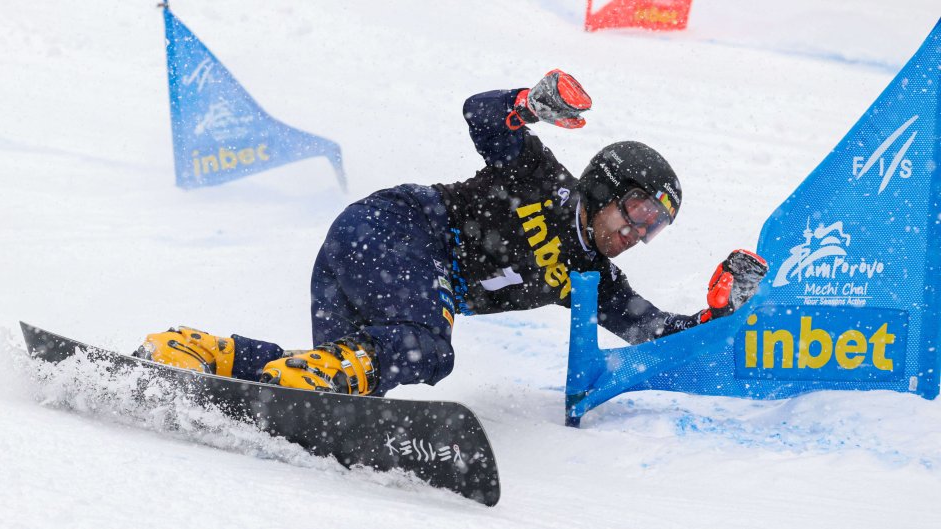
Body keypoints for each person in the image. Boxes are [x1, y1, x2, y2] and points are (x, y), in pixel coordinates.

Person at [137, 70, 768, 397]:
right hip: (395, 229)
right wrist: (530, 101)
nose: (639, 232)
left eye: (655, 228)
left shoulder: (592, 277)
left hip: (375, 264)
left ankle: (199, 352)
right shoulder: (542, 180)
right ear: (603, 186)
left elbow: (649, 330)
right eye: (639, 212)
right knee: (426, 350)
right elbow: (482, 114)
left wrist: (720, 315)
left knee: (339, 381)